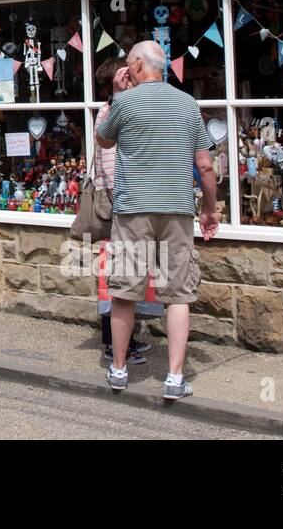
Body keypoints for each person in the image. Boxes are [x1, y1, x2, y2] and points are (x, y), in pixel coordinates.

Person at [95, 40, 219, 399]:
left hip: (133, 208)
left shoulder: (125, 102)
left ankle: (118, 370)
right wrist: (210, 209)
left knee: (124, 292)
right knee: (178, 294)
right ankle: (175, 378)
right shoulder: (188, 103)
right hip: (178, 208)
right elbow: (205, 165)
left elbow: (102, 141)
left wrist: (118, 95)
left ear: (134, 66)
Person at [91, 57, 158, 365]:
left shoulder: (123, 109)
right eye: (128, 79)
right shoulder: (109, 111)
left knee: (127, 275)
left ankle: (126, 338)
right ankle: (113, 345)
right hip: (117, 207)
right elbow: (111, 166)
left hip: (129, 205)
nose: (133, 82)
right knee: (115, 275)